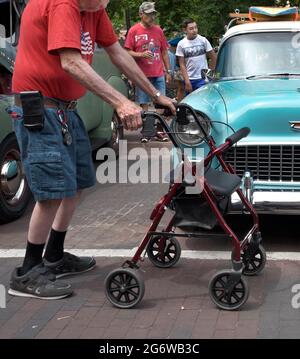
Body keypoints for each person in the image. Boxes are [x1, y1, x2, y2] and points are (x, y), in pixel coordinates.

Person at [8, 0, 175, 300]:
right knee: (51, 193)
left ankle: (54, 255)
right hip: (40, 109)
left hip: (64, 109)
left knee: (78, 185)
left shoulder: (93, 10)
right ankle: (28, 271)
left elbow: (117, 53)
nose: (103, 3)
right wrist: (120, 102)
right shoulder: (63, 4)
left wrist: (155, 94)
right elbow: (70, 61)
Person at [124, 2, 172, 143]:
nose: (152, 17)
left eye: (153, 14)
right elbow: (126, 52)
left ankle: (159, 131)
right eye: (149, 14)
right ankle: (147, 132)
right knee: (144, 104)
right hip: (141, 76)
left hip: (158, 74)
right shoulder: (134, 31)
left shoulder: (158, 30)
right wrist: (141, 55)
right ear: (141, 14)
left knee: (161, 104)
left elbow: (164, 51)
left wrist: (168, 71)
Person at [176, 18, 217, 94]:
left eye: (195, 27)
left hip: (202, 78)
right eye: (191, 28)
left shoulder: (203, 40)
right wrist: (187, 81)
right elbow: (182, 64)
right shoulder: (181, 44)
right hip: (190, 78)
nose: (194, 30)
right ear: (185, 30)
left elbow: (214, 57)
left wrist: (209, 75)